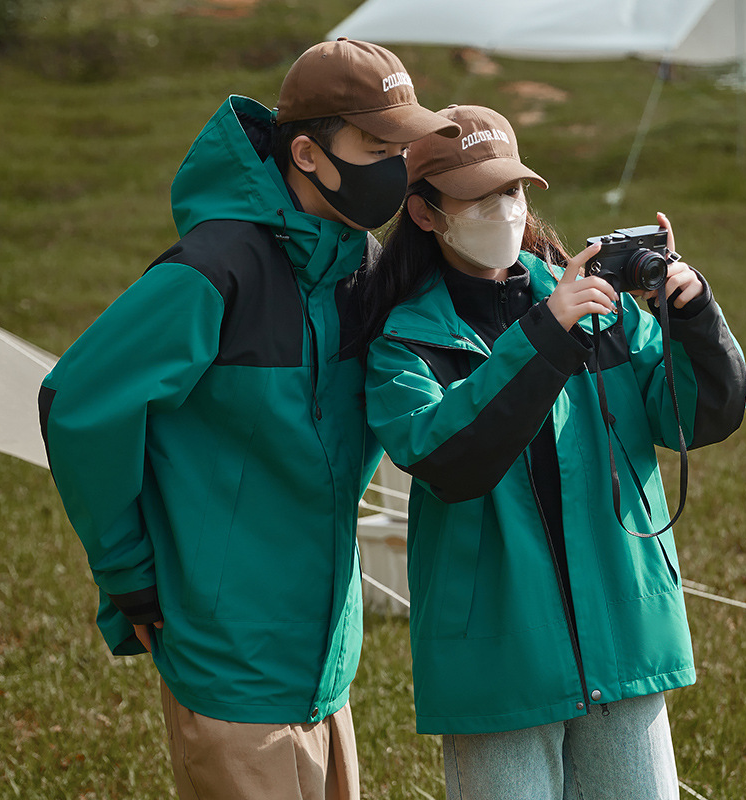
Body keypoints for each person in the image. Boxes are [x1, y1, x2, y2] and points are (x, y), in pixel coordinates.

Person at [38, 39, 460, 800]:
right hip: (230, 665)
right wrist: (130, 575)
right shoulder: (215, 269)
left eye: (403, 147)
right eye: (377, 146)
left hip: (325, 667)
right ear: (306, 152)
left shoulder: (359, 266)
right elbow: (78, 404)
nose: (395, 168)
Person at [362, 104, 746, 800]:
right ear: (423, 213)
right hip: (497, 662)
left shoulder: (599, 302)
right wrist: (545, 334)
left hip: (626, 631)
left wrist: (695, 319)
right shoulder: (402, 344)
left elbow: (697, 417)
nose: (505, 209)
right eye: (478, 196)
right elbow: (451, 460)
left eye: (512, 190)